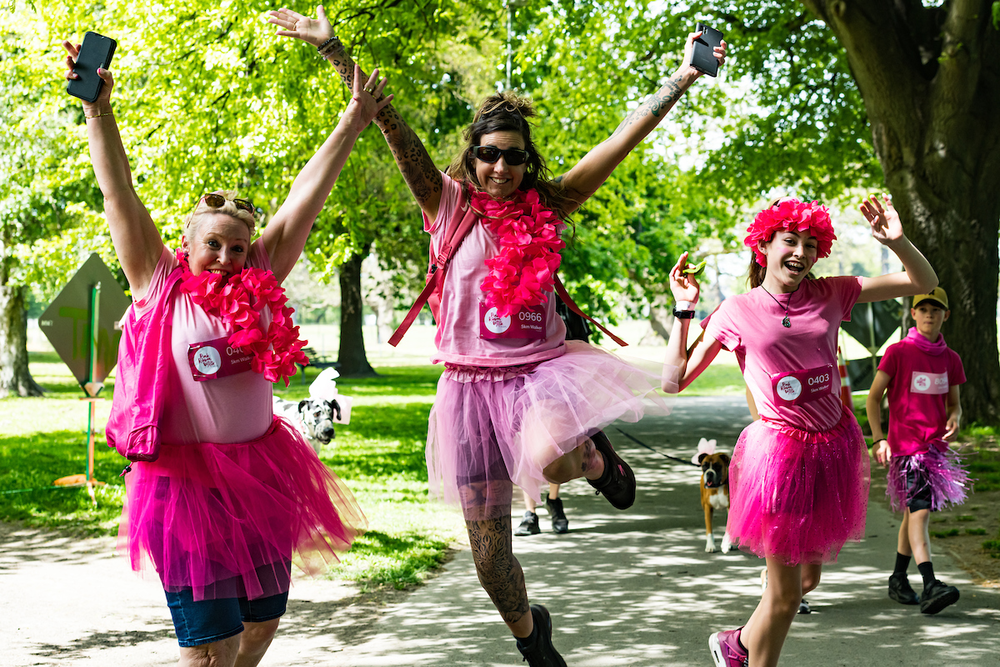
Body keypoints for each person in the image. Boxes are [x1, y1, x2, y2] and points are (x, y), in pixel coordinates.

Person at [267, 7, 725, 665]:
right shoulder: (445, 204)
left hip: (540, 373)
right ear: (473, 158)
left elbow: (623, 137)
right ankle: (529, 632)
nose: (501, 167)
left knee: (550, 460)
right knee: (489, 560)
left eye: (513, 156)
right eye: (489, 155)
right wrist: (334, 49)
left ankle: (594, 459)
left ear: (526, 161)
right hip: (466, 392)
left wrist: (683, 76)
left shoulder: (551, 205)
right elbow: (387, 121)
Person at [62, 30, 390, 667]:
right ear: (186, 247)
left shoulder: (261, 281)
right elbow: (119, 194)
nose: (226, 256)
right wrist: (98, 111)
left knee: (261, 625)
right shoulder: (158, 284)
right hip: (184, 487)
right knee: (208, 648)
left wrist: (353, 121)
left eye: (237, 246)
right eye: (212, 243)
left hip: (262, 475)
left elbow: (304, 200)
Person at [663, 194, 937, 667]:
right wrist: (685, 310)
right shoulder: (736, 311)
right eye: (790, 240)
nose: (801, 252)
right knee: (787, 594)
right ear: (763, 246)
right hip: (779, 458)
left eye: (811, 244)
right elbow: (674, 380)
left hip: (833, 448)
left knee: (804, 583)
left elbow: (924, 281)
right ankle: (748, 655)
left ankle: (737, 645)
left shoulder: (833, 292)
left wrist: (898, 241)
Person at [866, 286, 968, 615]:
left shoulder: (951, 359)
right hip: (907, 451)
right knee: (921, 513)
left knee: (913, 514)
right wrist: (879, 438)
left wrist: (955, 416)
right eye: (922, 309)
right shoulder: (898, 352)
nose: (928, 314)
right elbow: (873, 397)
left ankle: (898, 579)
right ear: (913, 313)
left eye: (935, 309)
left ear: (945, 316)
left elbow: (954, 404)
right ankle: (930, 583)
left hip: (935, 451)